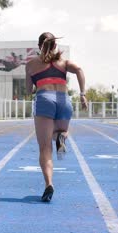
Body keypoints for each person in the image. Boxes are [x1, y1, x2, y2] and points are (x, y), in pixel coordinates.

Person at [25, 32, 87, 202]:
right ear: (55, 46)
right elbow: (79, 70)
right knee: (60, 132)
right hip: (63, 100)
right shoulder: (64, 62)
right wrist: (82, 94)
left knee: (45, 148)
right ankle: (60, 137)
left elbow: (28, 90)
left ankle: (49, 184)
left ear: (40, 46)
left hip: (44, 99)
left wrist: (35, 81)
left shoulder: (31, 65)